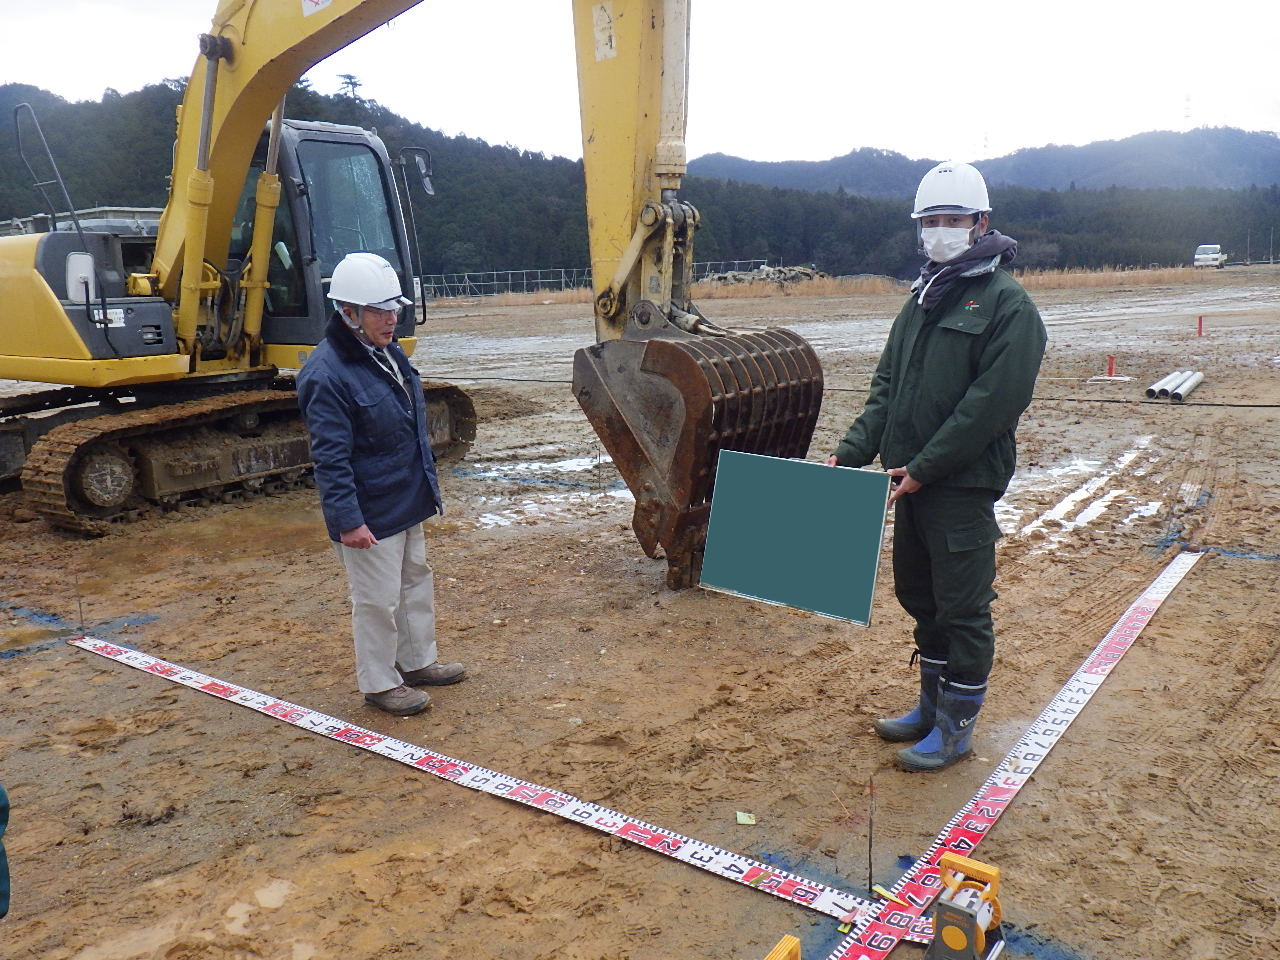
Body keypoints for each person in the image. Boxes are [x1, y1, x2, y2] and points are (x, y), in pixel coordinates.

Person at [826, 160, 1046, 772]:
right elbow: (887, 387)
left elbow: (990, 407)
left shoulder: (1007, 305)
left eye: (954, 220)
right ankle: (931, 706)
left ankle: (956, 729)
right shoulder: (923, 298)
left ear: (981, 224)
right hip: (910, 480)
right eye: (932, 221)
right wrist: (852, 451)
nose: (941, 231)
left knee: (963, 607)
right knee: (920, 596)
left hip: (959, 485)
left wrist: (926, 466)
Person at [297, 252, 465, 716]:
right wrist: (349, 521)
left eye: (394, 308)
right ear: (347, 312)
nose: (391, 319)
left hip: (406, 496)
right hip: (369, 508)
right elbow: (330, 459)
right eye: (379, 311)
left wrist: (425, 490)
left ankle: (416, 662)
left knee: (414, 581)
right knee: (376, 599)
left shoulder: (386, 352)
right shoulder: (327, 373)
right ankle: (379, 683)